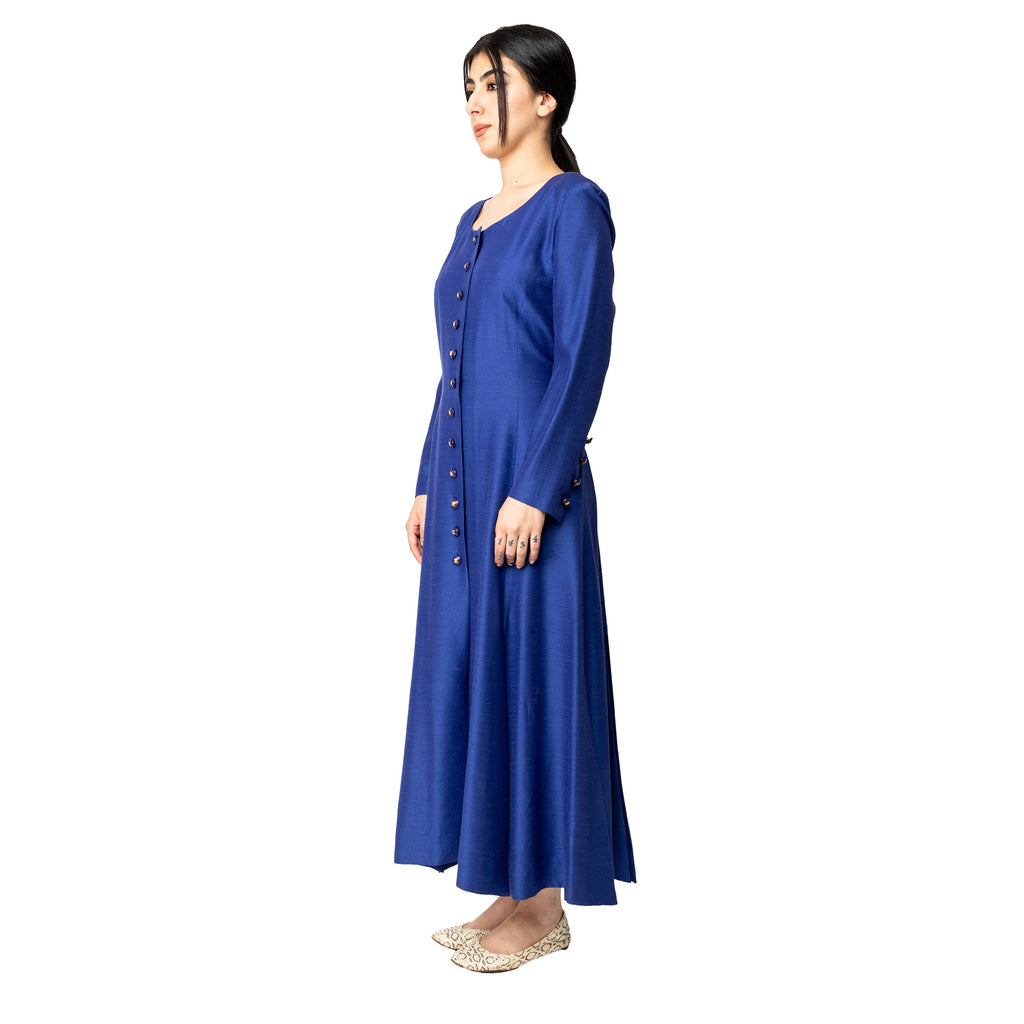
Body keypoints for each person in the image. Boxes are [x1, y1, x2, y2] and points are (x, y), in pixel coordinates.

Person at [394, 24, 636, 973]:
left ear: (546, 97)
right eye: (466, 86)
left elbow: (582, 355)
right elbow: (453, 367)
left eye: (492, 83)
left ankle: (545, 908)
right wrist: (427, 479)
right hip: (464, 490)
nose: (474, 102)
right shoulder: (473, 219)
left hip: (533, 491)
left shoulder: (574, 206)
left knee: (535, 675)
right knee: (476, 675)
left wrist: (537, 489)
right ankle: (509, 889)